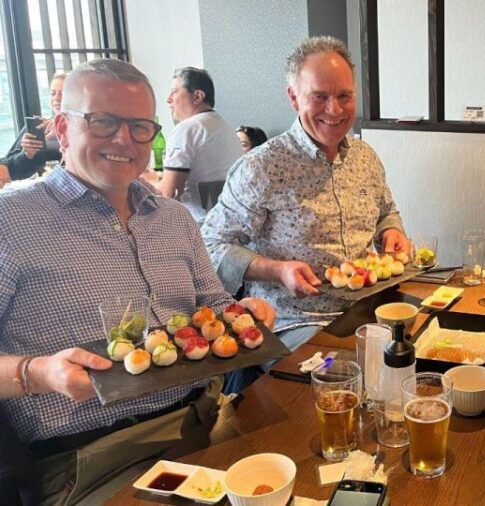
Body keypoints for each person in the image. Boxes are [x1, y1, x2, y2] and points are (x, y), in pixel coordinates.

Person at [0, 58, 272, 505]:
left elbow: (214, 301)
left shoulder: (173, 218)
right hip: (91, 455)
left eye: (139, 126)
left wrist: (243, 314)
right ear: (64, 129)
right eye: (103, 122)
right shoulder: (12, 221)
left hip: (202, 419)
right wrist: (38, 373)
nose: (123, 140)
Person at [202, 36, 410, 354]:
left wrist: (391, 229)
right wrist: (277, 269)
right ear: (294, 97)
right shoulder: (261, 167)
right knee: (348, 375)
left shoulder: (365, 157)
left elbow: (386, 211)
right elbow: (211, 246)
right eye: (319, 96)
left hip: (371, 310)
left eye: (344, 96)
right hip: (298, 322)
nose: (335, 109)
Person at [154, 67, 243, 223]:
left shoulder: (187, 129)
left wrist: (146, 180)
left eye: (175, 92)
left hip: (198, 227)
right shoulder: (225, 127)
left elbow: (168, 194)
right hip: (228, 221)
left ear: (197, 97)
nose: (168, 99)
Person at [4, 73, 66, 181]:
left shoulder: (82, 130)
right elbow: (11, 171)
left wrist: (64, 133)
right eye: (53, 93)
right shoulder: (38, 126)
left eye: (62, 94)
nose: (56, 98)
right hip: (32, 186)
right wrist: (27, 154)